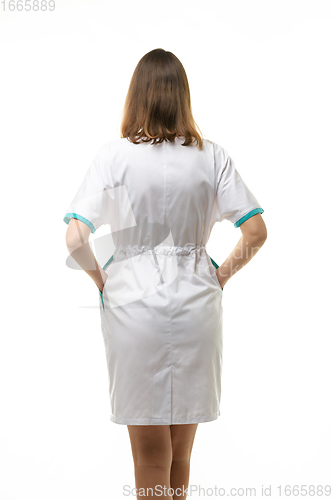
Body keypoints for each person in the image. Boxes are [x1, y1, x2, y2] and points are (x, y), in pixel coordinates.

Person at [63, 48, 267, 500]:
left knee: (149, 458)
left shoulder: (113, 157)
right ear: (183, 98)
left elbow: (76, 239)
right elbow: (255, 230)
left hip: (131, 305)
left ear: (136, 96)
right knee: (180, 454)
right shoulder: (212, 156)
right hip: (197, 304)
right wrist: (219, 275)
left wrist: (103, 281)